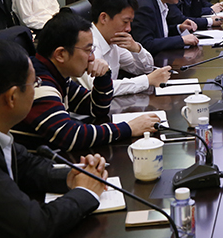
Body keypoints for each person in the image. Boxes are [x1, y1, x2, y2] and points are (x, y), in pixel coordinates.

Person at [0, 39, 107, 237]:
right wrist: (86, 192)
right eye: (35, 83)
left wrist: (73, 176)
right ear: (12, 97)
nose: (37, 89)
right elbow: (33, 226)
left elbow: (28, 166)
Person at [12, 10, 160, 151]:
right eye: (88, 51)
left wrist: (103, 76)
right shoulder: (37, 83)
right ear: (61, 54)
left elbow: (95, 108)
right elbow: (70, 136)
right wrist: (129, 128)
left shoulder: (57, 75)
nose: (92, 58)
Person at [74, 0, 172, 96]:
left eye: (130, 22)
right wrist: (147, 80)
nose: (128, 29)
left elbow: (145, 68)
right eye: (125, 22)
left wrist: (136, 49)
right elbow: (97, 88)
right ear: (104, 18)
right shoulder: (87, 45)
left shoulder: (114, 41)